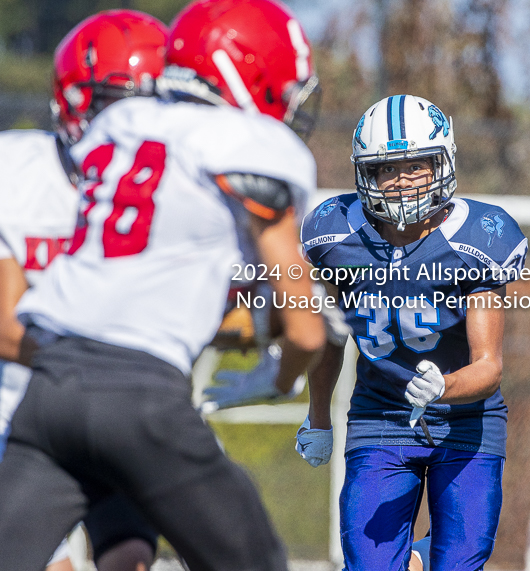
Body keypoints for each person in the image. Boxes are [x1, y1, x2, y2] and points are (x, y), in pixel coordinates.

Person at [0, 0, 325, 569]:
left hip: (49, 394)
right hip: (142, 400)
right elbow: (306, 332)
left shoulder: (119, 128)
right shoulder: (249, 145)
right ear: (244, 73)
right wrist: (280, 376)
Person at [296, 94, 528, 570]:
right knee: (369, 565)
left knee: (459, 563)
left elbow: (489, 366)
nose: (401, 181)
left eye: (417, 166)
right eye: (387, 169)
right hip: (379, 415)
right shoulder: (336, 235)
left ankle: (422, 558)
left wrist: (446, 387)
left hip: (467, 420)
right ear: (366, 174)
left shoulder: (477, 237)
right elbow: (330, 340)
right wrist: (319, 417)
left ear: (442, 163)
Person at [0, 10, 170, 571]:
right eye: (119, 103)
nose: (134, 123)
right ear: (72, 101)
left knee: (132, 556)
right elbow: (4, 326)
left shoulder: (172, 184)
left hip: (119, 413)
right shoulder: (18, 173)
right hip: (17, 417)